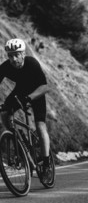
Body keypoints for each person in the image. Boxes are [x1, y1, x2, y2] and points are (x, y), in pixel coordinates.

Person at [0, 38, 51, 184]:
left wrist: (30, 98)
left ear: (23, 54)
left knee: (40, 126)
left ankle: (46, 164)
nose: (13, 59)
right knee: (4, 113)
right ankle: (16, 138)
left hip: (36, 92)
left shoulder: (32, 63)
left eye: (16, 54)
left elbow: (45, 87)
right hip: (21, 91)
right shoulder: (5, 67)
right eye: (10, 55)